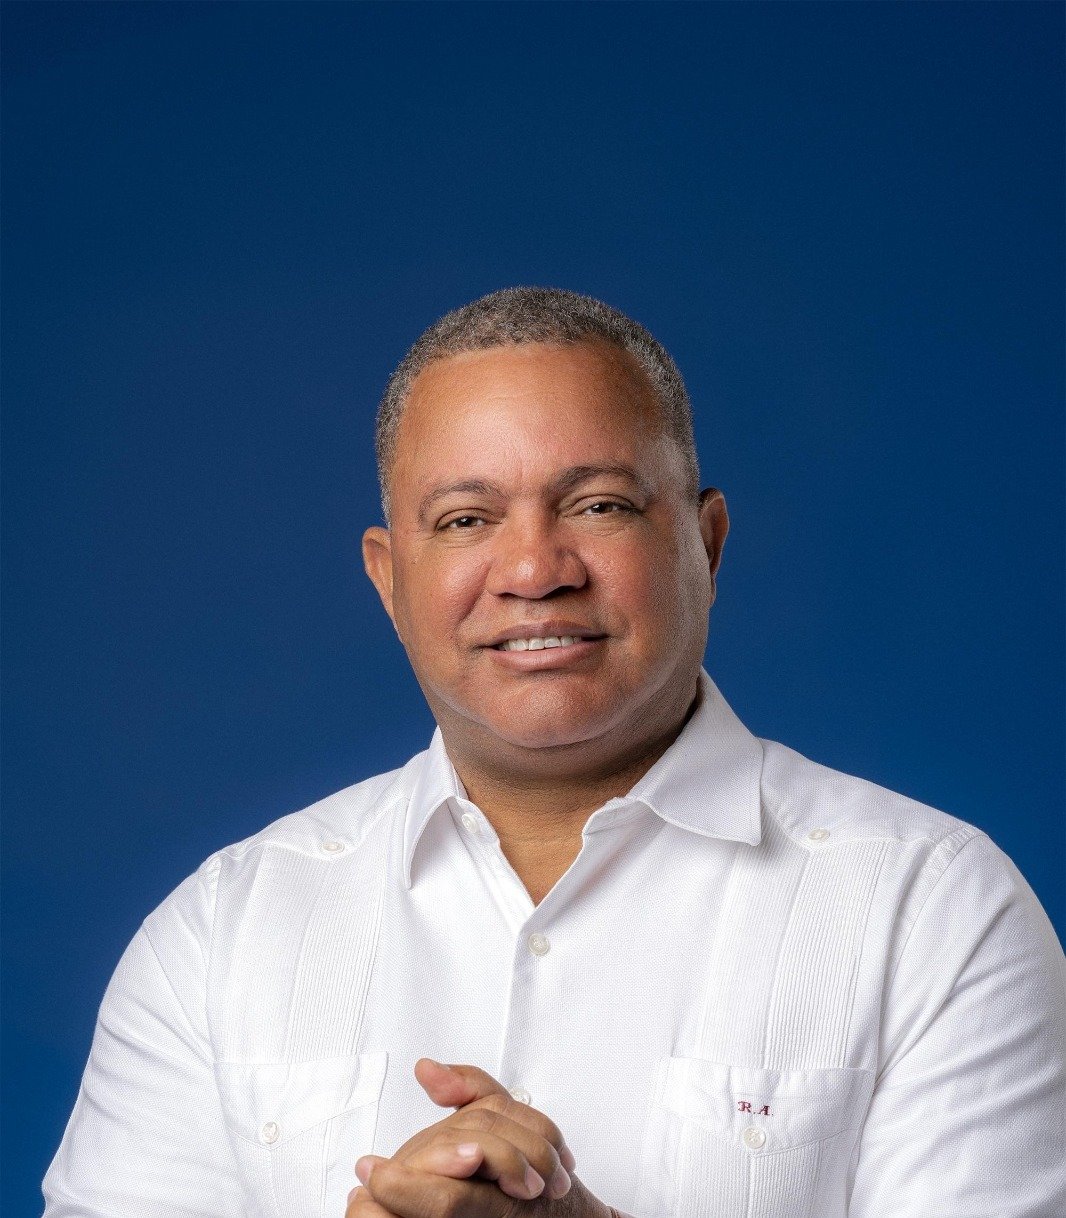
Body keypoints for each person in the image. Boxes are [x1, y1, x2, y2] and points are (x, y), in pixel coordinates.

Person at [43, 288, 1065, 1218]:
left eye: (599, 504)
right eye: (466, 519)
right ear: (388, 580)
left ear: (706, 545)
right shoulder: (219, 938)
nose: (534, 569)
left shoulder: (933, 911)